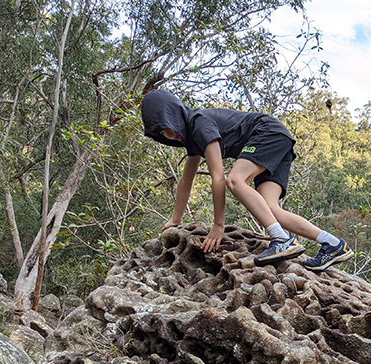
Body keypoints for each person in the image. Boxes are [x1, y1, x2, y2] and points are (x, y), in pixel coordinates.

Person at [140, 89, 353, 271]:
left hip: (266, 133)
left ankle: (281, 239)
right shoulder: (192, 140)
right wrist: (176, 220)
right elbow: (186, 181)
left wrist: (218, 225)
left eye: (167, 126)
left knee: (235, 180)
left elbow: (218, 177)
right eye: (161, 133)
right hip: (278, 139)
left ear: (174, 114)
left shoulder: (199, 124)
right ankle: (332, 244)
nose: (168, 135)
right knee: (270, 209)